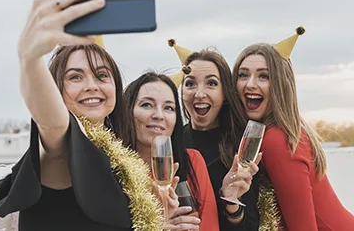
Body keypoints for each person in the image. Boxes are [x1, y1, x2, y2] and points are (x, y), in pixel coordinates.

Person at [0, 0, 176, 231]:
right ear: (56, 88)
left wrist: (158, 220)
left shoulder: (114, 156)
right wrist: (30, 58)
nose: (92, 85)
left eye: (101, 75)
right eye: (75, 76)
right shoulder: (62, 145)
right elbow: (51, 122)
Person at [232, 26, 354, 230]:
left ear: (281, 85)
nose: (250, 84)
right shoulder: (279, 133)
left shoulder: (277, 139)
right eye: (243, 75)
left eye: (264, 76)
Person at [168, 40, 261, 230]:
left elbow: (251, 226)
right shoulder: (170, 142)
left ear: (225, 92)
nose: (199, 94)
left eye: (211, 83)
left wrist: (232, 202)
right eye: (190, 83)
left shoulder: (241, 148)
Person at [124, 72, 220, 230]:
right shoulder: (113, 168)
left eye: (168, 108)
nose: (159, 115)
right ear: (127, 110)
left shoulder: (192, 161)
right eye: (147, 105)